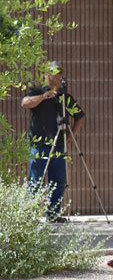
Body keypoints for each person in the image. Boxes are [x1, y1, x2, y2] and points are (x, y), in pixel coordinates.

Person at [21, 61, 85, 220]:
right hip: (39, 145)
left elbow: (79, 116)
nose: (56, 76)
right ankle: (31, 217)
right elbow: (25, 103)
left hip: (58, 146)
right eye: (53, 72)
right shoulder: (37, 92)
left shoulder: (65, 98)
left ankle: (53, 214)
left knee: (58, 181)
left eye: (59, 73)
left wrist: (72, 135)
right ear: (45, 75)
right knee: (36, 181)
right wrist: (43, 97)